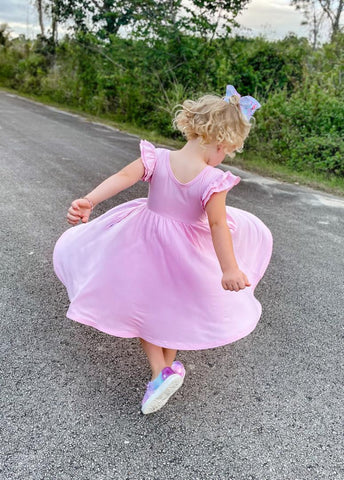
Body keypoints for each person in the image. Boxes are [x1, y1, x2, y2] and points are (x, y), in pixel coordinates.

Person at [53, 85, 273, 415]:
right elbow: (216, 226)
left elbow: (122, 176)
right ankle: (160, 372)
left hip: (142, 241)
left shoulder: (157, 157)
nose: (224, 157)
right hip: (184, 253)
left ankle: (163, 373)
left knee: (146, 307)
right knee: (171, 310)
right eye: (227, 151)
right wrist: (228, 268)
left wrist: (90, 200)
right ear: (218, 142)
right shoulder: (213, 179)